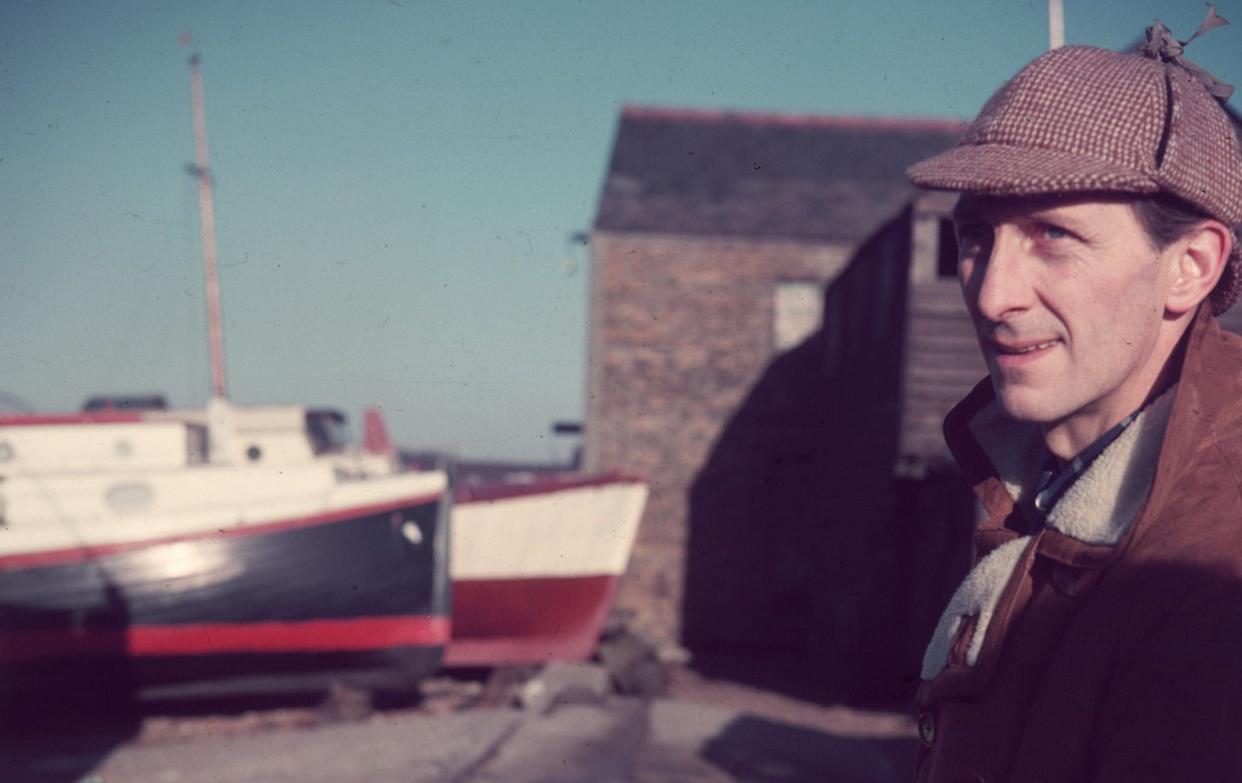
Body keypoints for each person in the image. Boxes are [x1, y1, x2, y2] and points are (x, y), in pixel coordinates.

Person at [905, 10, 1242, 782]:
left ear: (1191, 265)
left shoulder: (1213, 580)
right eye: (975, 237)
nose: (992, 294)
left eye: (1053, 234)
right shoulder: (1049, 484)